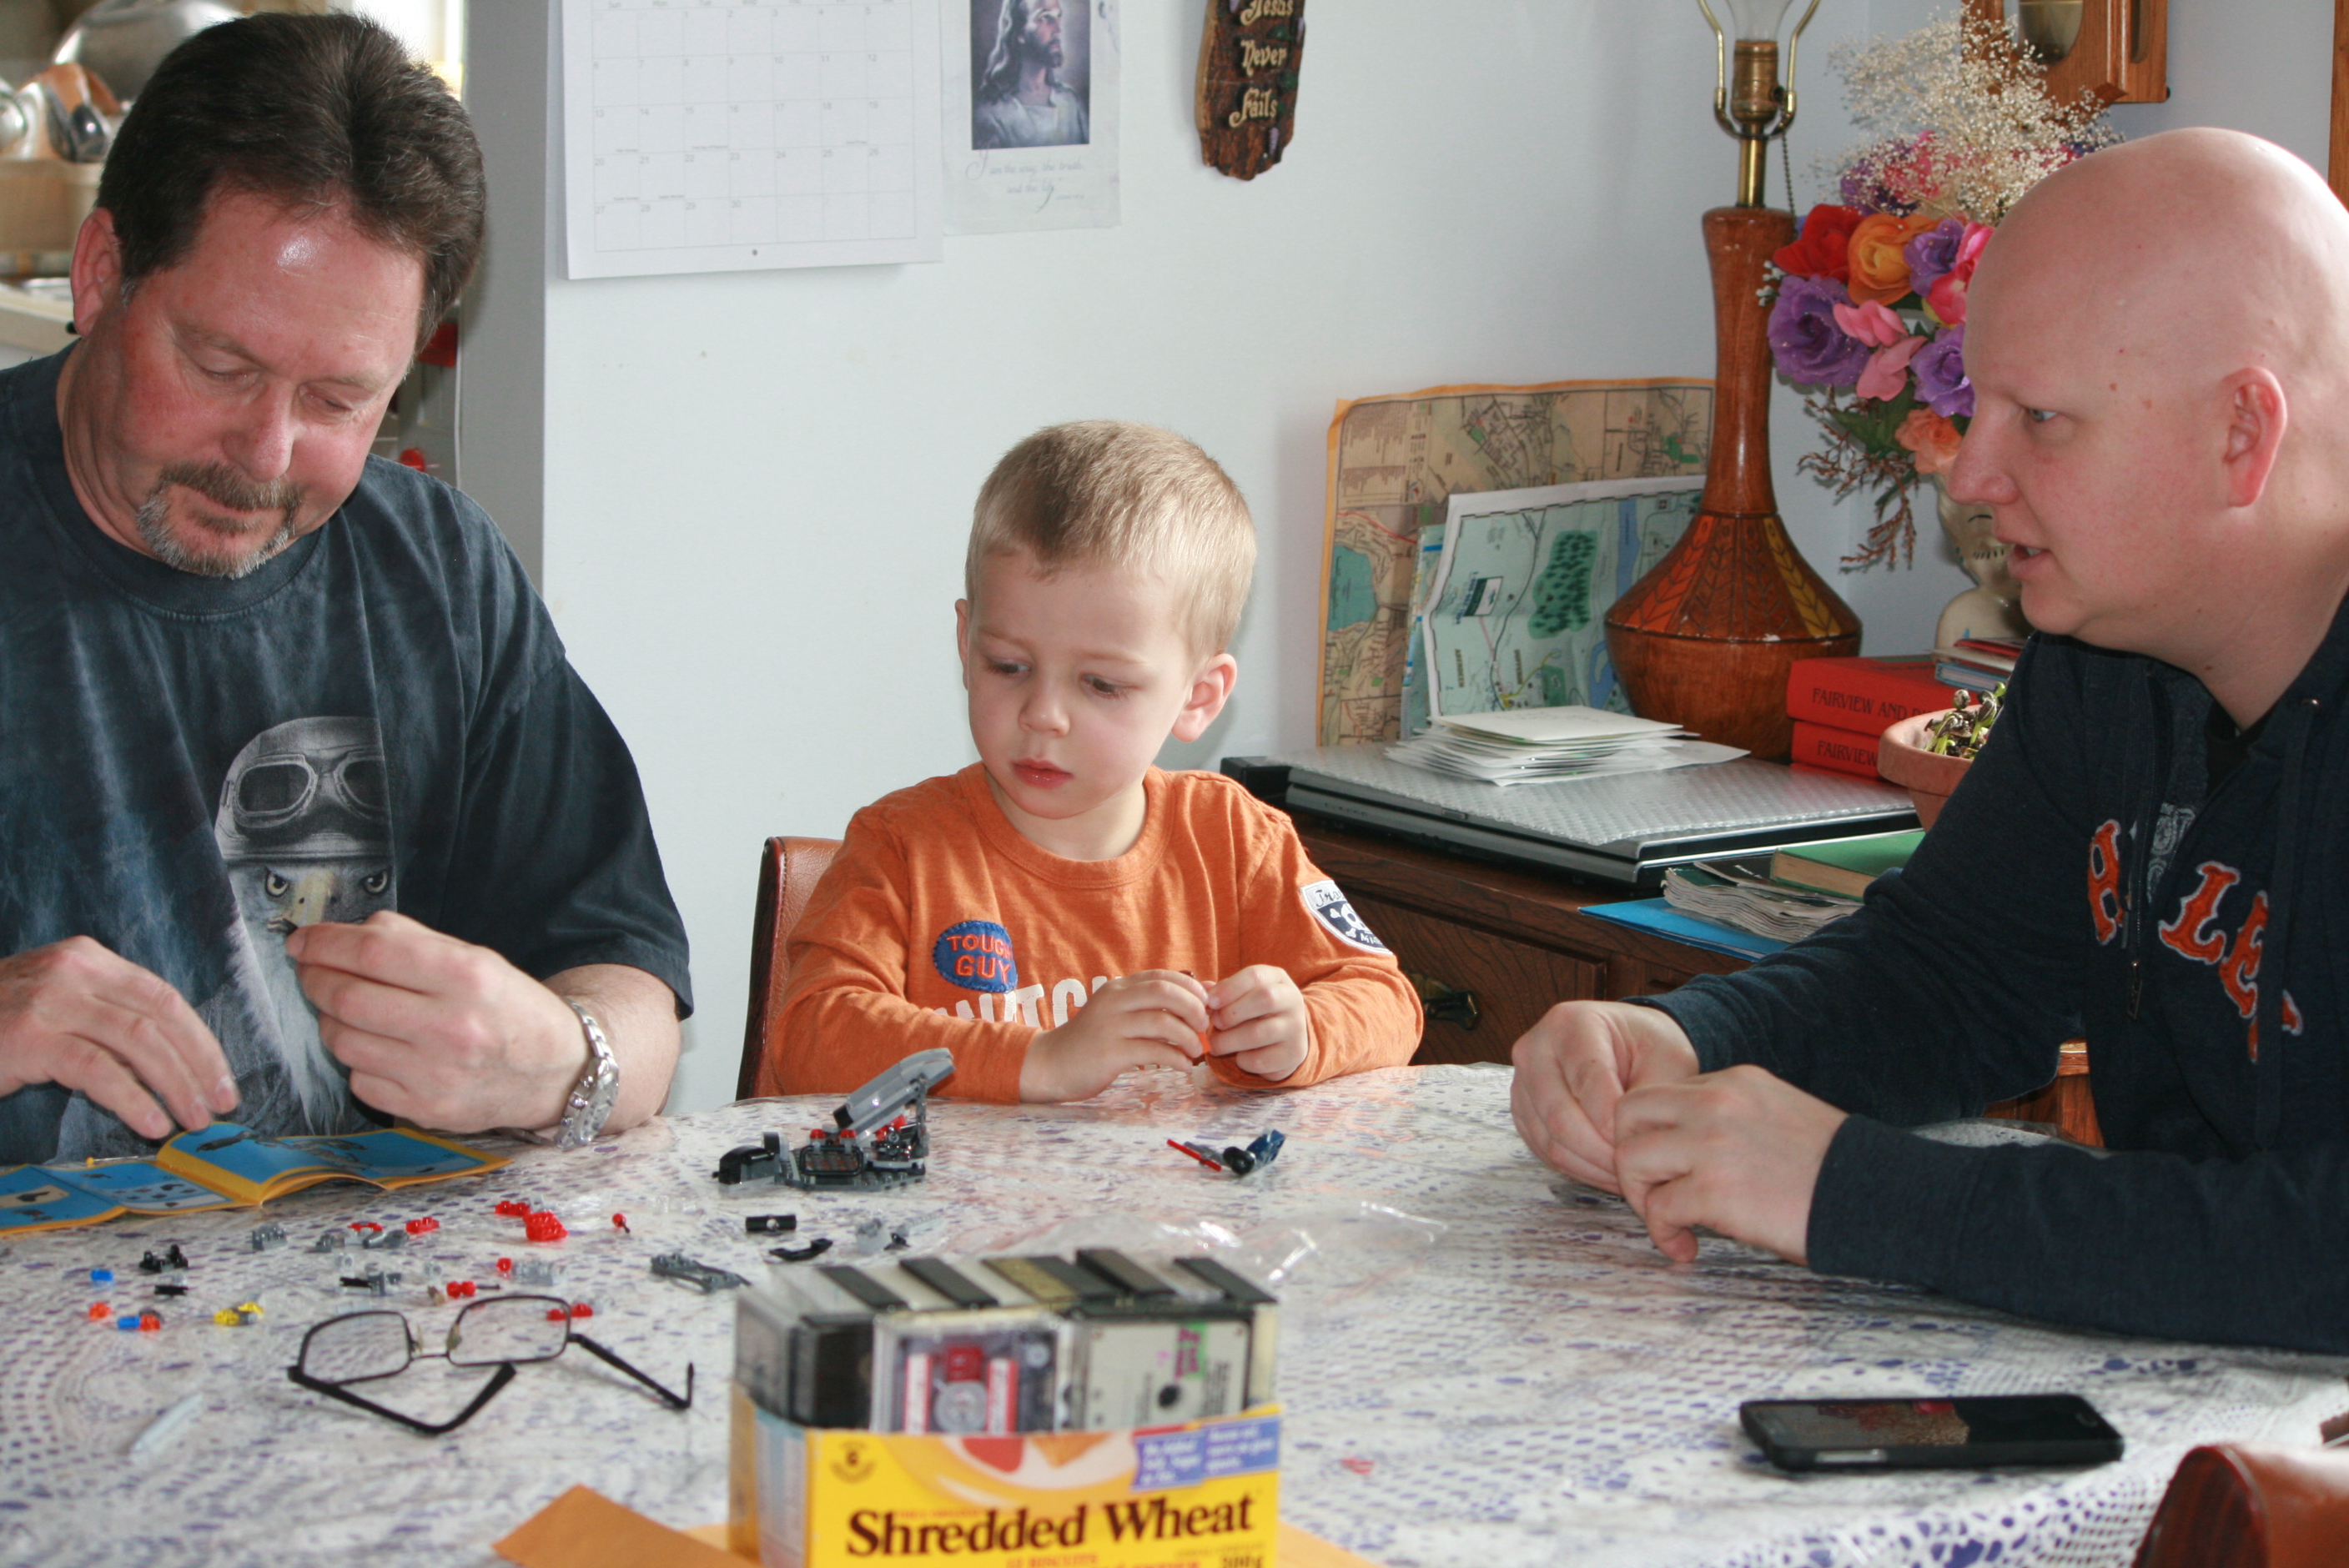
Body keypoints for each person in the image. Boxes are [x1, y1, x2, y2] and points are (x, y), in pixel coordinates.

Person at [1510, 128, 2349, 1356]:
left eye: (2041, 418)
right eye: (1977, 405)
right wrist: (1690, 1041)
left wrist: (1851, 1191)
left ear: (2242, 433)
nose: (1971, 477)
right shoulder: (2106, 652)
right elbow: (1951, 973)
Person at [0, 14, 691, 1164]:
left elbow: (631, 990)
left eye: (336, 401)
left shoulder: (440, 571)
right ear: (101, 272)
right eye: (221, 366)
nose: (264, 454)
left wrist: (563, 1059)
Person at [767, 421, 1420, 1102]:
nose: (1043, 714)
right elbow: (811, 1035)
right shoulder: (901, 845)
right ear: (966, 643)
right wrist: (1041, 1060)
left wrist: (1304, 1033)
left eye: (1102, 685)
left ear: (1198, 697)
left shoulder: (1235, 839)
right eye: (1008, 665)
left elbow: (1386, 999)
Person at [973, 0, 1089, 151]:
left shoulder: (1070, 102)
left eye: (1058, 17)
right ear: (1020, 33)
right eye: (1045, 18)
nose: (1058, 29)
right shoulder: (992, 113)